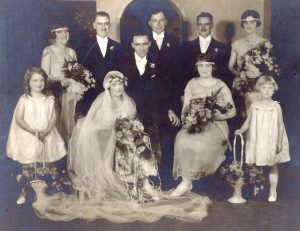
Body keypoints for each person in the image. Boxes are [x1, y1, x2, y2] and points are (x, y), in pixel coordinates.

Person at [31, 71, 211, 223]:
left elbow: (133, 121)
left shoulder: (128, 101)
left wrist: (134, 129)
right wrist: (118, 131)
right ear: (108, 86)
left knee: (142, 142)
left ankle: (146, 184)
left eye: (120, 85)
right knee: (128, 148)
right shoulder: (102, 101)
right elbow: (96, 126)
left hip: (124, 138)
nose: (118, 88)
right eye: (114, 85)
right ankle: (132, 189)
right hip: (106, 139)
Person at [171, 54, 236, 197]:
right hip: (195, 123)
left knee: (201, 144)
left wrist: (219, 116)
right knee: (181, 140)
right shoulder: (191, 83)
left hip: (216, 125)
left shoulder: (220, 85)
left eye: (208, 65)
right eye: (201, 65)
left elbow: (233, 111)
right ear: (197, 67)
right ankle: (186, 181)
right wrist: (187, 122)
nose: (204, 69)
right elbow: (185, 108)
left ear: (213, 67)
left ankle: (189, 181)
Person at [116, 31, 180, 162]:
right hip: (131, 110)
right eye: (138, 44)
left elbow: (166, 89)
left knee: (164, 139)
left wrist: (170, 110)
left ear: (150, 44)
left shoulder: (159, 62)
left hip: (155, 110)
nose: (141, 48)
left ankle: (159, 166)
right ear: (132, 45)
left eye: (145, 44)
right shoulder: (122, 64)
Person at [6, 67, 66, 204]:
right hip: (29, 134)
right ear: (28, 83)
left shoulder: (49, 99)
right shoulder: (25, 99)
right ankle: (24, 190)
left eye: (41, 80)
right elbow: (19, 119)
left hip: (46, 134)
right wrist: (34, 131)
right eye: (35, 81)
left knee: (45, 161)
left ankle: (45, 189)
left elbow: (53, 118)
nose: (38, 84)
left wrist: (47, 130)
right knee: (29, 162)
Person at [235, 76, 290, 202]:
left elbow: (280, 125)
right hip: (257, 138)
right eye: (263, 87)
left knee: (273, 164)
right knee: (255, 163)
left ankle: (273, 191)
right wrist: (240, 130)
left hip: (272, 139)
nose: (266, 90)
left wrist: (279, 141)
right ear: (258, 89)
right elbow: (248, 122)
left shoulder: (276, 106)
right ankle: (257, 187)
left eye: (270, 88)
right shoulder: (254, 105)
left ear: (274, 89)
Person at [148, 10, 181, 166]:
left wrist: (173, 104)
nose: (159, 23)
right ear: (150, 23)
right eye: (155, 20)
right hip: (151, 98)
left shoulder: (175, 42)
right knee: (151, 138)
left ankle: (168, 173)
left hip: (170, 98)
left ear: (166, 22)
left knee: (169, 137)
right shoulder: (144, 42)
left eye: (161, 20)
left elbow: (178, 75)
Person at [76, 11, 122, 117]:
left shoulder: (118, 47)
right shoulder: (84, 47)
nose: (103, 27)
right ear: (94, 25)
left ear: (109, 25)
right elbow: (80, 72)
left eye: (106, 24)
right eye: (100, 24)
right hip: (91, 97)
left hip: (112, 96)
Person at [41, 24, 77, 145]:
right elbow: (44, 77)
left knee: (70, 126)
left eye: (66, 31)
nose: (64, 34)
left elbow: (76, 74)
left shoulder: (72, 52)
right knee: (55, 126)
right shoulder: (48, 50)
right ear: (54, 34)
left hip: (70, 94)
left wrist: (73, 80)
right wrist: (59, 80)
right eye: (59, 32)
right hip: (55, 93)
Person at [228, 9, 266, 118]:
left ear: (257, 24)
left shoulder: (265, 43)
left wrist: (259, 73)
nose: (249, 25)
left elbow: (270, 66)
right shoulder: (236, 44)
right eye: (246, 22)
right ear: (242, 24)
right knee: (243, 115)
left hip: (260, 85)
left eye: (252, 22)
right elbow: (230, 66)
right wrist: (239, 74)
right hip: (242, 84)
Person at [181, 12, 232, 91]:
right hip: (192, 91)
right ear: (197, 25)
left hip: (215, 92)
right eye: (200, 24)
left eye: (206, 24)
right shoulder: (186, 47)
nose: (203, 27)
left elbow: (225, 74)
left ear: (212, 25)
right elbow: (183, 73)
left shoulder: (224, 48)